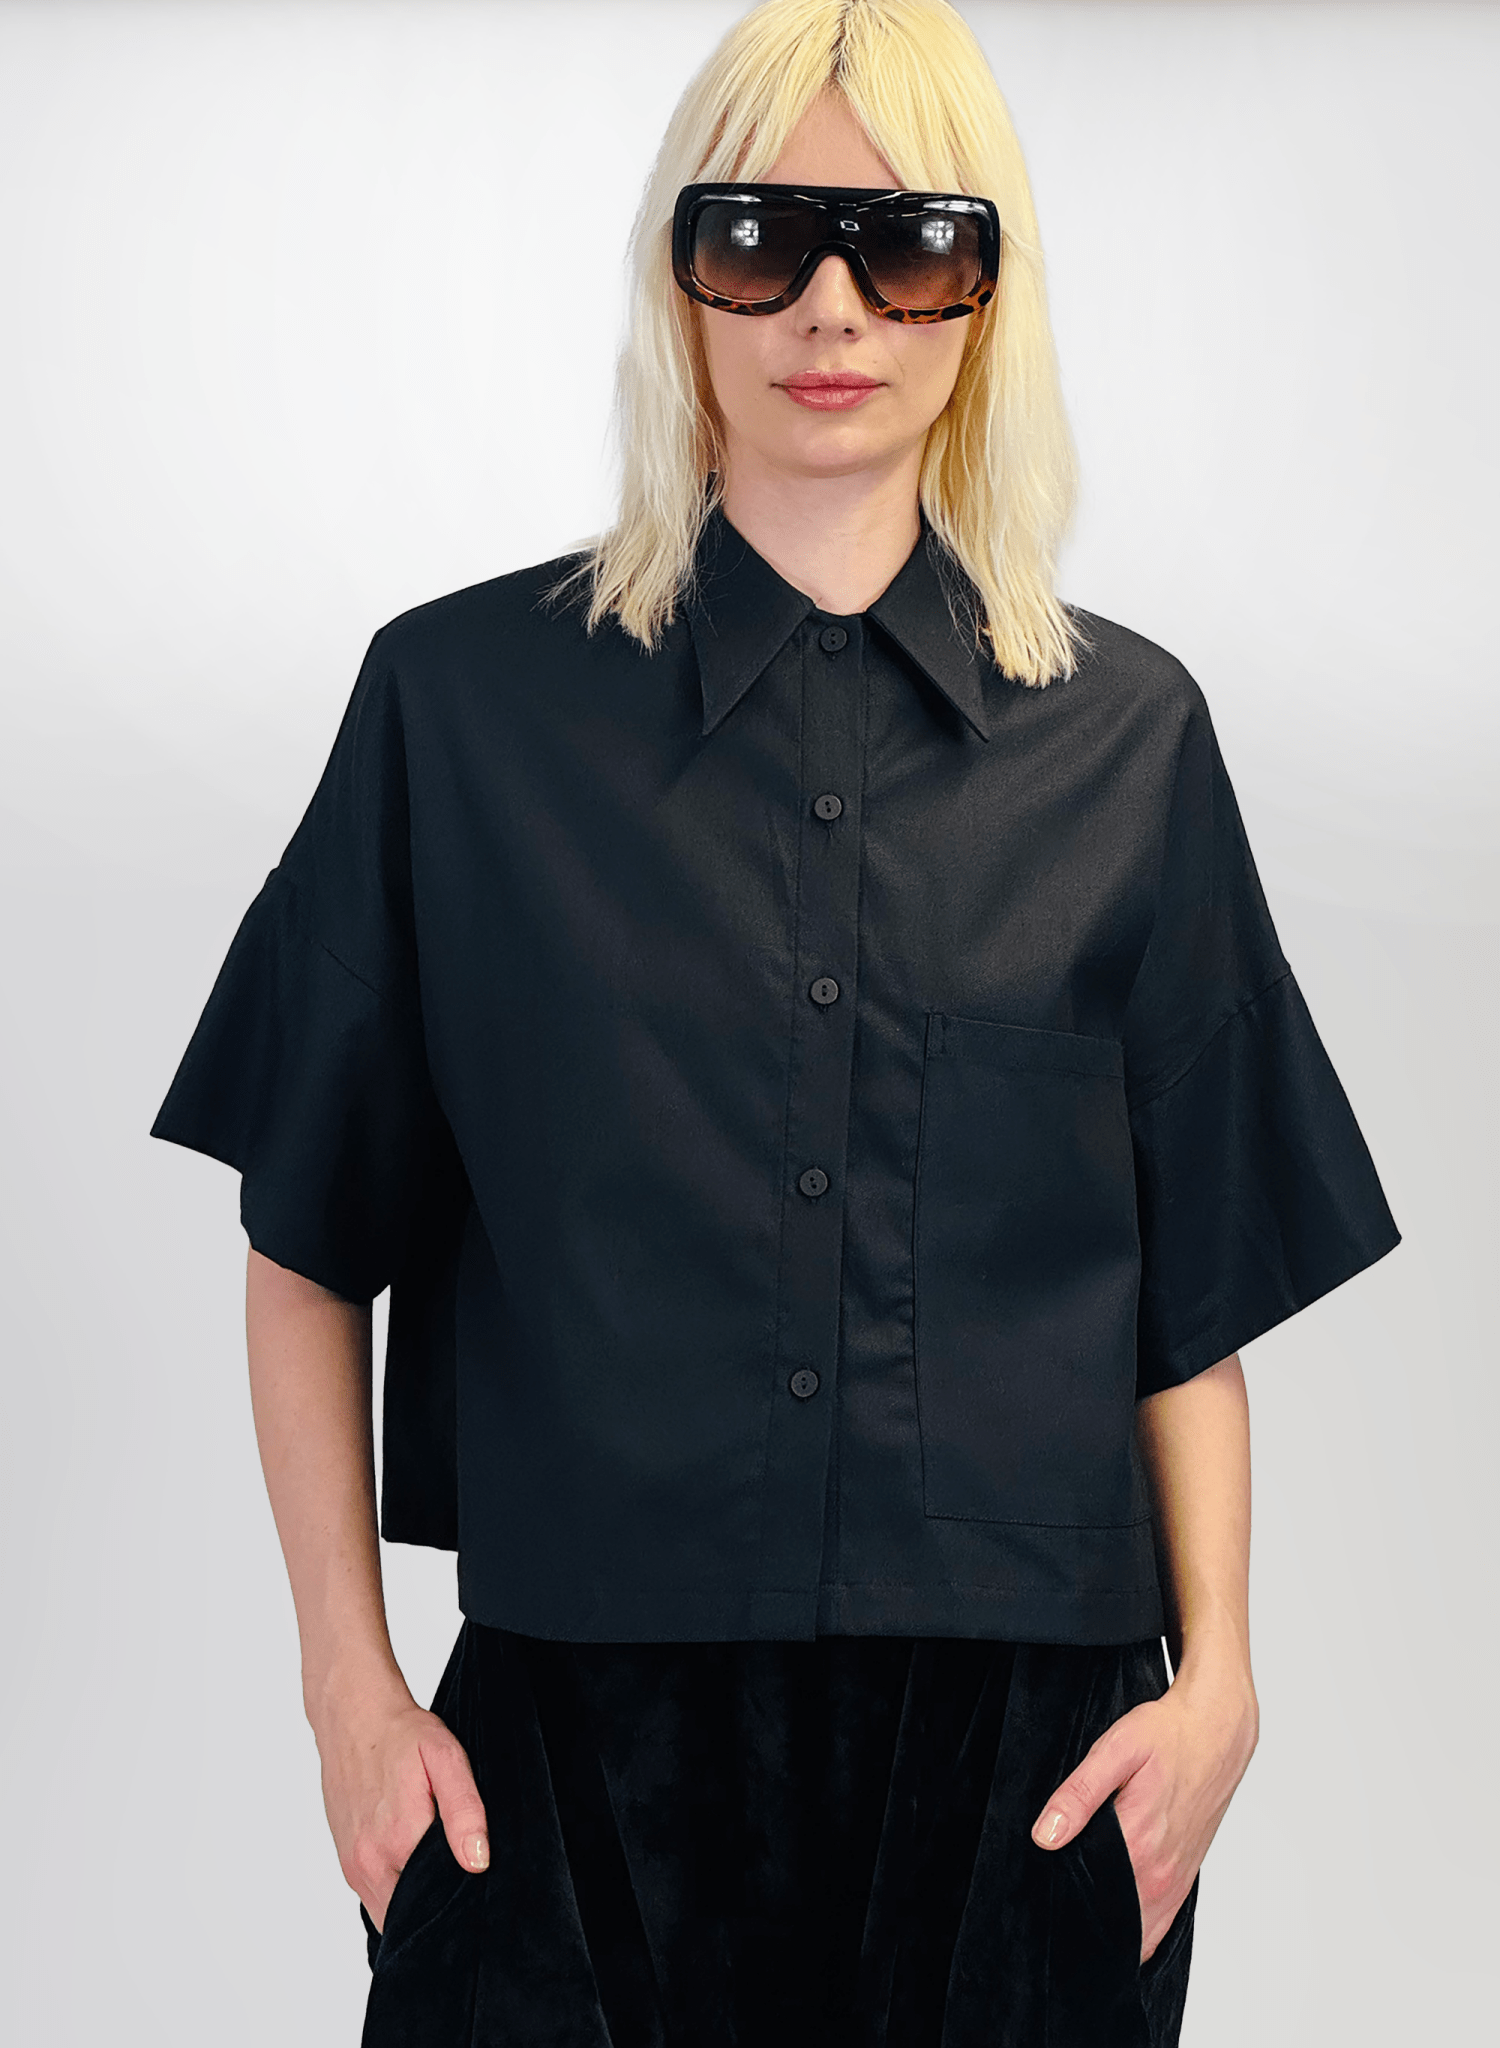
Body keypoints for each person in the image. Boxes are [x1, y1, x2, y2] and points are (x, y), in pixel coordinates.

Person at [149, 2, 1401, 2042]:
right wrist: (348, 1694)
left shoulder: (1130, 742)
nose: (834, 306)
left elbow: (1191, 1291)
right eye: (760, 237)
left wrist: (1227, 1681)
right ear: (682, 277)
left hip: (1025, 1779)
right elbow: (305, 1239)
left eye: (909, 245)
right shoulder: (458, 714)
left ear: (985, 294)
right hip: (568, 1762)